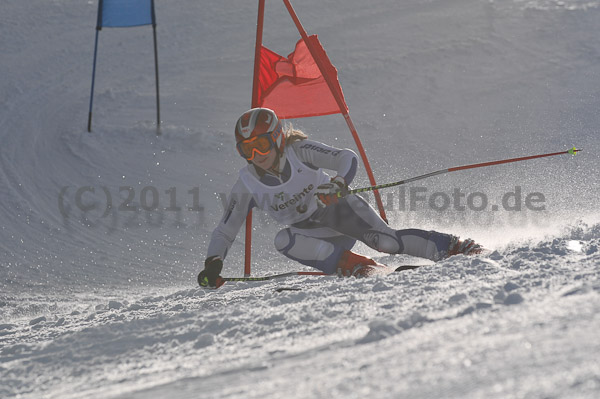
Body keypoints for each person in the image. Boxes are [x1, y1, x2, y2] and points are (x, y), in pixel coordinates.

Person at [198, 108, 481, 288]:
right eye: (247, 150)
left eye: (260, 145)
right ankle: (361, 268)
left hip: (338, 211)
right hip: (314, 235)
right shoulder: (247, 183)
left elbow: (347, 157)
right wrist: (213, 262)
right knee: (282, 240)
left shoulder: (299, 151)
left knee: (387, 242)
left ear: (277, 139)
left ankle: (455, 247)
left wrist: (338, 183)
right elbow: (226, 229)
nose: (256, 156)